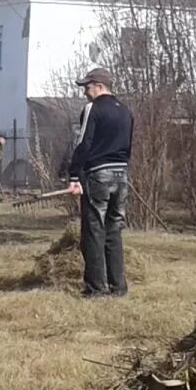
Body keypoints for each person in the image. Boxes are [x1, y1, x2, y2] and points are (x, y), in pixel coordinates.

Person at [66, 66, 132, 297]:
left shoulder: (92, 108)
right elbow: (128, 145)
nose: (85, 91)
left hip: (99, 175)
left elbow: (83, 143)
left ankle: (96, 288)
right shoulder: (125, 110)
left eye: (87, 86)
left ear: (100, 86)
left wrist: (74, 175)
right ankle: (118, 286)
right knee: (114, 230)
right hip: (122, 175)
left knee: (94, 230)